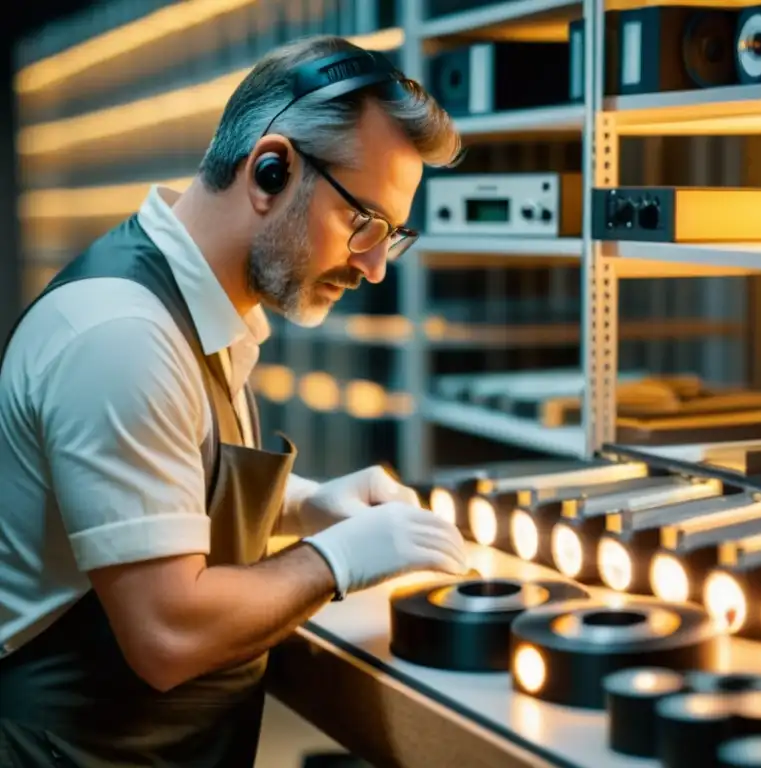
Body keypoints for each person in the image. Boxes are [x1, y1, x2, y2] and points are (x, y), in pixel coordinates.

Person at [0, 35, 469, 767]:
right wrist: (334, 558)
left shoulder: (192, 307)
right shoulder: (123, 336)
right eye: (365, 223)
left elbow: (156, 492)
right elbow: (167, 634)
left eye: (391, 237)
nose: (374, 267)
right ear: (270, 170)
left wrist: (309, 504)